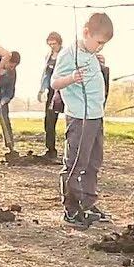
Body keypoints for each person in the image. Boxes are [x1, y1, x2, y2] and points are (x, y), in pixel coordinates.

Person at [50, 13, 114, 229]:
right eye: (99, 42)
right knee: (75, 163)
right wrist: (72, 78)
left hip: (96, 116)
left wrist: (99, 64)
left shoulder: (91, 54)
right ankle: (71, 209)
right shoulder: (70, 54)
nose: (100, 47)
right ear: (86, 33)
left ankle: (88, 203)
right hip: (80, 117)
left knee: (93, 162)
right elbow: (54, 82)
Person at [38, 31, 63, 162]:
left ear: (59, 43)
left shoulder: (65, 55)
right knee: (49, 120)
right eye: (50, 44)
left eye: (54, 44)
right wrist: (41, 90)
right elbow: (46, 74)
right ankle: (50, 149)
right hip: (51, 91)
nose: (52, 46)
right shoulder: (49, 56)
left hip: (64, 89)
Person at [0, 51, 20, 157]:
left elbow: (10, 91)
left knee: (5, 121)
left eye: (14, 66)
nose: (11, 68)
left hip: (2, 100)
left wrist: (3, 101)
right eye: (10, 65)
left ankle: (10, 146)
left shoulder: (12, 72)